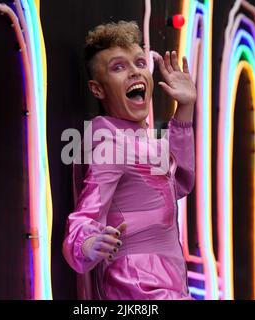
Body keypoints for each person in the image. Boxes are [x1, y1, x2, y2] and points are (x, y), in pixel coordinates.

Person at [62, 20, 196, 300]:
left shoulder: (140, 138)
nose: (135, 71)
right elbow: (86, 214)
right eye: (119, 67)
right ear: (97, 89)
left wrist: (184, 108)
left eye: (138, 62)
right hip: (139, 285)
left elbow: (178, 184)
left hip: (168, 281)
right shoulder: (108, 138)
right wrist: (88, 243)